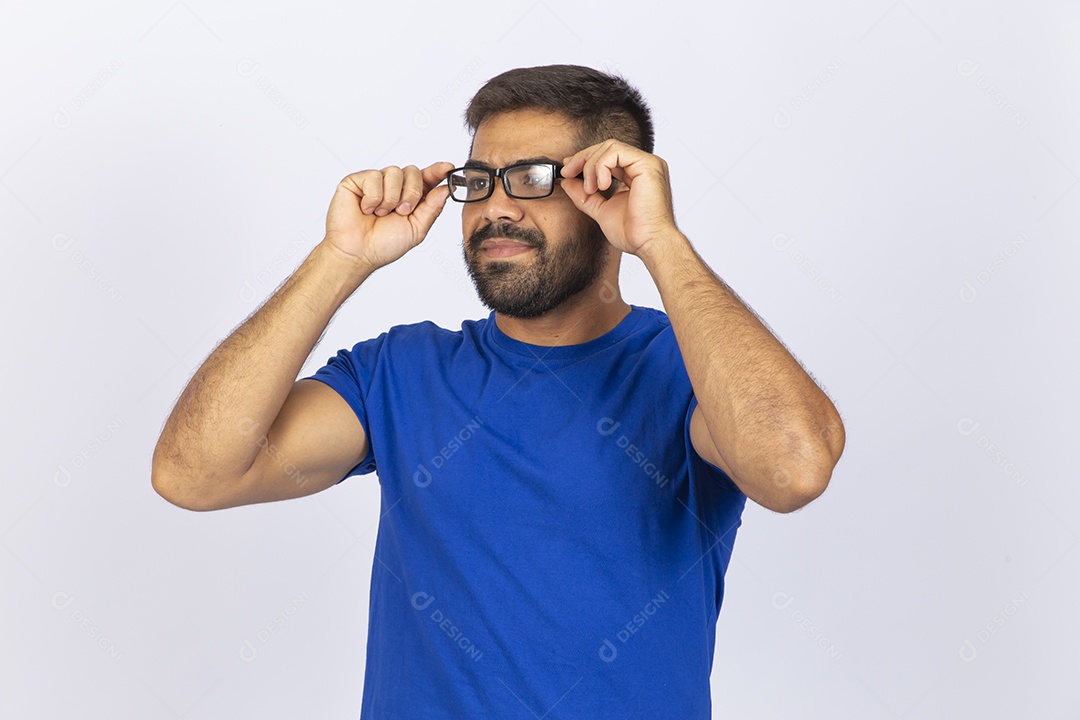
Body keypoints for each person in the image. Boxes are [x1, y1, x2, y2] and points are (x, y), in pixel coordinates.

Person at [152, 64, 846, 718]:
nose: (495, 207)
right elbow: (194, 473)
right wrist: (340, 258)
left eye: (532, 179)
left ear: (612, 190)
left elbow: (792, 467)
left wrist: (660, 240)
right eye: (478, 180)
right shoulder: (399, 372)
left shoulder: (690, 372)